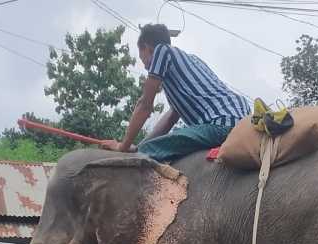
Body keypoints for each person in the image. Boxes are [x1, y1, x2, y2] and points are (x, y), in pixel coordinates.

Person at [99, 23, 251, 162]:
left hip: (221, 124)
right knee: (147, 149)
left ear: (147, 47)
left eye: (142, 57)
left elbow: (145, 105)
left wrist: (122, 147)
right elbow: (170, 118)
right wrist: (138, 147)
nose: (145, 66)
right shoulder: (192, 61)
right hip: (245, 121)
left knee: (144, 155)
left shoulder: (161, 51)